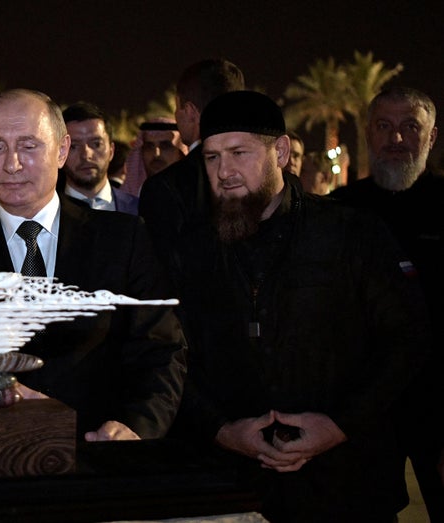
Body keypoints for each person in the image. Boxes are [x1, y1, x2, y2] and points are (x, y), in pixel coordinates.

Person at [171, 90, 430, 522]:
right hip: (233, 490)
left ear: (282, 151)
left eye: (239, 153)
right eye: (212, 158)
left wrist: (339, 425)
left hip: (348, 486)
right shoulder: (192, 249)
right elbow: (170, 356)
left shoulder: (351, 233)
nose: (224, 171)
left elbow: (406, 340)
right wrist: (222, 430)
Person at [0, 88, 188, 442]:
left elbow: (160, 350)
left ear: (61, 151)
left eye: (29, 146)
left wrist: (137, 428)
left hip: (99, 453)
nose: (12, 164)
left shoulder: (122, 240)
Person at [330, 86, 444, 519]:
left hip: (437, 404)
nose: (396, 139)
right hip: (364, 412)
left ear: (431, 138)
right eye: (384, 126)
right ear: (368, 135)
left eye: (410, 127)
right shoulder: (338, 212)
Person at [137, 58, 245, 285]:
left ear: (190, 111)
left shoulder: (165, 187)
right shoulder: (270, 176)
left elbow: (160, 277)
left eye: (177, 108)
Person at [60, 101, 139, 215]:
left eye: (96, 144)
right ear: (60, 153)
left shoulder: (140, 210)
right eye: (74, 146)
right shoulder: (43, 214)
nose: (86, 155)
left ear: (111, 151)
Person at [118, 118, 187, 198]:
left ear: (181, 152)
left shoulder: (195, 194)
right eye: (149, 147)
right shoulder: (127, 198)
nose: (156, 154)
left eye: (165, 146)